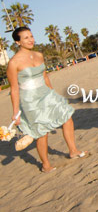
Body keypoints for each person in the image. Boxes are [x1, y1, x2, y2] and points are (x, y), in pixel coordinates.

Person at [7, 27, 87, 173]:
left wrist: (52, 92)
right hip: (30, 100)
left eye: (31, 36)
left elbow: (44, 76)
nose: (31, 39)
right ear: (17, 42)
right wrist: (15, 112)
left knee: (67, 117)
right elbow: (14, 89)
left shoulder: (38, 55)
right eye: (26, 38)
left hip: (46, 93)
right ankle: (45, 164)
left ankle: (73, 151)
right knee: (42, 132)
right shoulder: (13, 63)